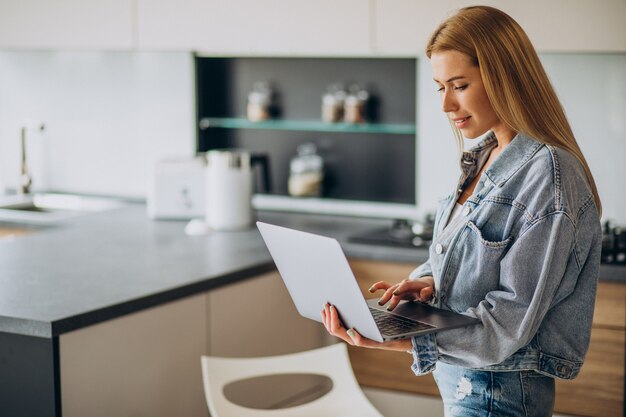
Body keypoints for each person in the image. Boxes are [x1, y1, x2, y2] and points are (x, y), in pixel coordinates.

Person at [321, 5, 602, 417]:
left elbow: (510, 319)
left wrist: (400, 340)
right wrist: (433, 281)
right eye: (440, 87)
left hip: (499, 394)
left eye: (460, 85)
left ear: (504, 78)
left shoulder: (550, 173)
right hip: (467, 384)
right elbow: (481, 262)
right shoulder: (486, 155)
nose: (446, 105)